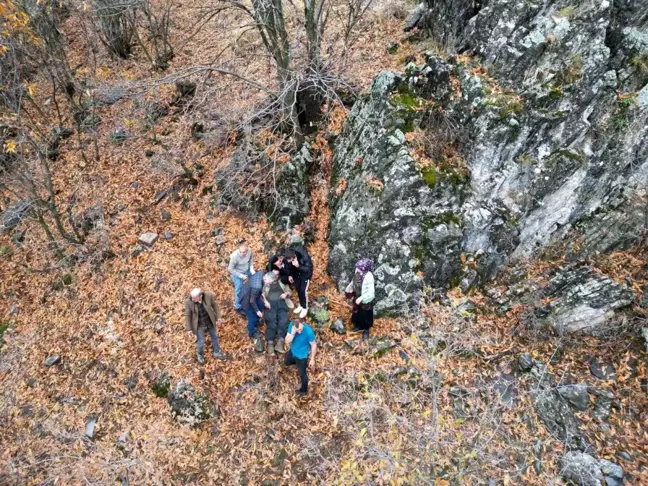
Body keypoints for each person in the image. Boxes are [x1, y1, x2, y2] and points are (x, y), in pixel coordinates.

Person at [184, 288, 227, 364]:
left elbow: (215, 306)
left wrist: (219, 317)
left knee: (214, 337)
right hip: (199, 324)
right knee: (201, 341)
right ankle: (199, 355)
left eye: (194, 298)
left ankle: (216, 352)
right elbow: (187, 315)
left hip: (209, 321)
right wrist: (189, 329)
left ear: (200, 296)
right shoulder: (188, 302)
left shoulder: (208, 296)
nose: (192, 299)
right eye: (191, 297)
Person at [284, 318, 316, 396]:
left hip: (302, 356)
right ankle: (295, 363)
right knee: (286, 362)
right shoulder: (291, 325)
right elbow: (287, 341)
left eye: (301, 329)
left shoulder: (308, 331)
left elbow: (314, 345)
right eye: (298, 330)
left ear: (303, 323)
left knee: (302, 374)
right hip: (293, 351)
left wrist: (312, 359)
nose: (300, 331)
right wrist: (293, 333)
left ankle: (304, 390)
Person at [262, 272, 292, 356]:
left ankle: (280, 343)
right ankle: (270, 345)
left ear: (273, 279)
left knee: (283, 321)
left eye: (267, 279)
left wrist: (285, 294)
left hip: (281, 303)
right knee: (272, 323)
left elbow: (289, 292)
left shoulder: (282, 283)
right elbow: (262, 294)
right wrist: (265, 301)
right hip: (270, 305)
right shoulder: (266, 284)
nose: (265, 280)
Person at [344, 258, 375, 340]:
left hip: (366, 300)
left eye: (359, 268)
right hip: (357, 296)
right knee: (357, 313)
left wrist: (361, 298)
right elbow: (353, 281)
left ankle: (366, 329)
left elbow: (371, 293)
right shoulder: (357, 272)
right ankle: (358, 325)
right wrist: (349, 288)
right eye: (357, 267)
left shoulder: (369, 277)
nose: (357, 269)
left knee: (366, 315)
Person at [240, 270, 265, 352]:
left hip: (253, 294)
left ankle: (257, 320)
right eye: (271, 282)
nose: (271, 284)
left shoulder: (262, 274)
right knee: (252, 317)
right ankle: (252, 331)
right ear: (266, 279)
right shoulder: (257, 286)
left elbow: (259, 293)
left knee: (261, 304)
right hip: (246, 300)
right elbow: (251, 301)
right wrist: (257, 311)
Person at [284, 245, 313, 319]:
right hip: (296, 275)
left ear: (293, 257)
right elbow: (287, 266)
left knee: (303, 291)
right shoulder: (287, 255)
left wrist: (298, 266)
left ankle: (305, 308)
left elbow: (308, 269)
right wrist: (289, 275)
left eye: (289, 260)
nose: (288, 261)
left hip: (305, 275)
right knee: (298, 289)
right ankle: (301, 305)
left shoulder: (303, 256)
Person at [228, 239, 255, 311]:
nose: (243, 254)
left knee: (251, 284)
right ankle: (238, 306)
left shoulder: (249, 251)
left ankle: (249, 299)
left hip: (247, 270)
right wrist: (241, 276)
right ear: (238, 249)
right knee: (238, 290)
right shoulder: (234, 256)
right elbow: (230, 269)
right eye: (241, 252)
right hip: (238, 273)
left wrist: (251, 268)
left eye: (245, 252)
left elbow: (251, 258)